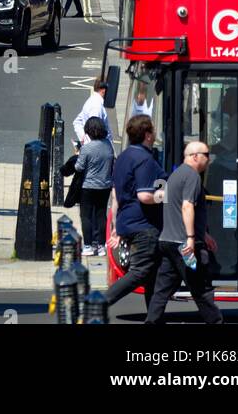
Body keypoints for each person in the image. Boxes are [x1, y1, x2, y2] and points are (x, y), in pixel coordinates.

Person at [144, 140, 222, 325]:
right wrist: (191, 238)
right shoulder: (192, 176)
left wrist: (203, 234)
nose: (209, 159)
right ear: (195, 157)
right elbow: (187, 207)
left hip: (167, 241)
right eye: (206, 155)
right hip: (182, 245)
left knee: (162, 289)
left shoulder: (175, 175)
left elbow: (176, 209)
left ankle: (151, 322)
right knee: (200, 288)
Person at [106, 114, 167, 312]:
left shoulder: (123, 157)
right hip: (144, 225)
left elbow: (115, 194)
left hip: (127, 221)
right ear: (147, 135)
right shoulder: (145, 160)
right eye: (153, 131)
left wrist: (116, 225)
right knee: (141, 272)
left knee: (153, 274)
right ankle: (98, 302)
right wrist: (166, 194)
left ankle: (155, 317)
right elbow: (145, 196)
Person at [76, 116, 115, 256]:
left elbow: (79, 167)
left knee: (86, 215)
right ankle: (101, 246)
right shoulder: (108, 146)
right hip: (105, 186)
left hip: (88, 186)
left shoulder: (87, 148)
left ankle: (87, 246)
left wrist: (78, 154)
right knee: (101, 214)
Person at [72, 76, 111, 144]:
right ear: (104, 90)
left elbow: (77, 122)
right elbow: (95, 133)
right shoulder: (96, 106)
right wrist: (88, 142)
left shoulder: (93, 101)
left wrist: (84, 140)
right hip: (99, 151)